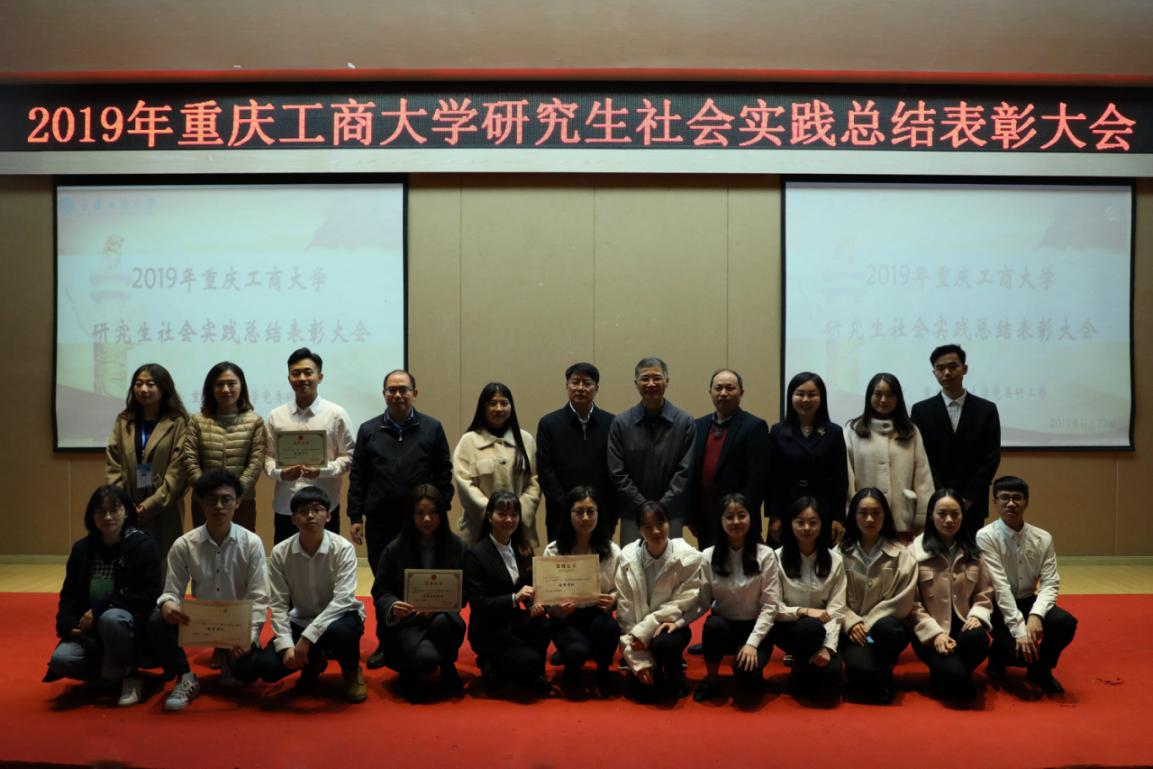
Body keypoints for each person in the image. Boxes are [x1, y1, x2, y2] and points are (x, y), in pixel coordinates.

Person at [347, 369, 453, 669]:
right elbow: (358, 477)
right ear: (384, 394)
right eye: (391, 390)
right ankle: (387, 642)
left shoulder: (432, 428)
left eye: (403, 390)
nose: (397, 395)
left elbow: (444, 474)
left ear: (414, 394)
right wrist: (355, 515)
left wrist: (440, 512)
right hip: (380, 520)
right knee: (385, 584)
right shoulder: (369, 430)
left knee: (421, 579)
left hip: (422, 523)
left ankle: (424, 635)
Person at [148, 469, 268, 711]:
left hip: (236, 623)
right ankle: (185, 676)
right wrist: (168, 604)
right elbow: (171, 591)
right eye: (212, 500)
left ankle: (227, 656)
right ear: (201, 503)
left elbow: (259, 596)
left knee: (248, 673)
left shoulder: (251, 543)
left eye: (226, 499)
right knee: (157, 620)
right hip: (199, 622)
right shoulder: (184, 545)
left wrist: (250, 635)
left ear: (237, 502)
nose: (219, 506)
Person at [44, 485, 162, 707]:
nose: (107, 517)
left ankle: (130, 676)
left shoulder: (143, 546)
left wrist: (100, 609)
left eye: (114, 510)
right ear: (92, 516)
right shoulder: (82, 549)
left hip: (131, 626)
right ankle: (110, 674)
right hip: (90, 631)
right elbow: (69, 594)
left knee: (112, 618)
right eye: (100, 511)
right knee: (61, 661)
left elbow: (150, 595)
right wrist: (67, 625)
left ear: (126, 512)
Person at [257, 486, 367, 703]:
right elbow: (278, 604)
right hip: (301, 618)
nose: (310, 516)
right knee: (267, 668)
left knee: (341, 631)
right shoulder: (280, 552)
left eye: (317, 510)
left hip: (339, 618)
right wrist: (286, 645)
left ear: (328, 516)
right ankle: (314, 662)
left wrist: (307, 638)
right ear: (293, 519)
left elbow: (343, 600)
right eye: (303, 511)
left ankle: (352, 671)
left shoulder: (343, 548)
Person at [976, 475, 1077, 695]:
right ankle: (997, 657)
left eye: (1017, 498)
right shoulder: (985, 536)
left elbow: (1050, 582)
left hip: (1029, 600)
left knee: (1064, 623)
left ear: (1026, 501)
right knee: (1017, 652)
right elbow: (1000, 586)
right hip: (998, 605)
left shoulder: (1043, 538)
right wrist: (1021, 631)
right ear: (995, 502)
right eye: (1004, 498)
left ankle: (1041, 671)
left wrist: (1036, 615)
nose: (1010, 503)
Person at [370, 484, 468, 702]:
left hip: (441, 618)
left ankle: (447, 664)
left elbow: (465, 590)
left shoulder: (457, 547)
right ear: (411, 515)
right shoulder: (395, 549)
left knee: (447, 623)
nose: (427, 519)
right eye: (419, 513)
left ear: (442, 514)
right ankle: (410, 670)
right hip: (408, 622)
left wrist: (439, 606)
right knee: (426, 659)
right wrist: (393, 606)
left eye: (433, 512)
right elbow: (380, 590)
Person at [691, 493, 780, 702]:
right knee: (713, 625)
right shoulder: (708, 555)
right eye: (729, 517)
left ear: (751, 518)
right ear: (721, 520)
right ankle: (711, 680)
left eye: (741, 515)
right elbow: (702, 602)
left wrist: (752, 643)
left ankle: (750, 671)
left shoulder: (766, 554)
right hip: (724, 628)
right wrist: (677, 622)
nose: (736, 522)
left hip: (757, 629)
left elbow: (770, 606)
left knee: (747, 678)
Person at [463, 491, 552, 696]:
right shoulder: (475, 554)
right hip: (488, 628)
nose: (509, 520)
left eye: (514, 514)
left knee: (545, 625)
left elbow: (530, 588)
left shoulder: (523, 548)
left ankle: (535, 674)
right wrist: (514, 598)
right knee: (527, 661)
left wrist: (534, 605)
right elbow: (478, 604)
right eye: (502, 514)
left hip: (513, 621)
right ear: (489, 517)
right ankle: (489, 662)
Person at [908, 488, 993, 700]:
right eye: (942, 514)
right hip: (930, 632)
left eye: (955, 514)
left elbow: (984, 593)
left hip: (962, 627)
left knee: (979, 639)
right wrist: (935, 634)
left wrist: (977, 615)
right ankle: (953, 674)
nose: (949, 520)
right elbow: (912, 604)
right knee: (963, 692)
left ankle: (955, 673)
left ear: (963, 516)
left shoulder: (973, 552)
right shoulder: (914, 553)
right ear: (931, 515)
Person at [264, 347, 355, 543]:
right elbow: (267, 457)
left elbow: (349, 456)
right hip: (286, 505)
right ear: (289, 378)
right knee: (285, 557)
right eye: (295, 373)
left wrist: (322, 470)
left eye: (308, 372)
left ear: (320, 377)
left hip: (324, 506)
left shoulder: (336, 414)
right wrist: (280, 473)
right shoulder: (276, 416)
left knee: (327, 556)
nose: (302, 378)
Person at [615, 500, 703, 701]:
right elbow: (625, 611)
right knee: (644, 694)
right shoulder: (627, 557)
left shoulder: (688, 557)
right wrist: (638, 660)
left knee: (664, 644)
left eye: (660, 523)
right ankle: (650, 670)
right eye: (647, 526)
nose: (655, 531)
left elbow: (683, 602)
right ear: (639, 529)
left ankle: (673, 671)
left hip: (669, 627)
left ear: (669, 523)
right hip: (635, 633)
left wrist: (644, 631)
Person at [911, 344, 1002, 537]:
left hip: (973, 502)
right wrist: (940, 495)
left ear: (964, 369)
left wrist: (969, 496)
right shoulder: (921, 411)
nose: (947, 372)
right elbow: (921, 456)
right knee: (935, 550)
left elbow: (991, 456)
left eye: (953, 366)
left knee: (971, 551)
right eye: (940, 368)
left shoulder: (986, 409)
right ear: (934, 372)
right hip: (934, 499)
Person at [540, 485, 622, 698]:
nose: (585, 518)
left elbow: (620, 589)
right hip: (566, 618)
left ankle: (603, 670)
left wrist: (613, 599)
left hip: (598, 615)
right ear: (569, 514)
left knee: (609, 627)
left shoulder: (613, 551)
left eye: (590, 511)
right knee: (577, 652)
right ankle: (572, 665)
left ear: (598, 514)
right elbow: (545, 597)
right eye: (579, 511)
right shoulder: (553, 551)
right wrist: (557, 608)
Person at [105, 362, 189, 562]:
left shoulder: (178, 421)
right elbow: (113, 463)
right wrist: (123, 503)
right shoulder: (124, 420)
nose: (143, 389)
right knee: (130, 560)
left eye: (150, 384)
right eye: (138, 384)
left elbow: (178, 470)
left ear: (164, 388)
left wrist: (150, 506)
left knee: (164, 561)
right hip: (128, 506)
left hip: (164, 506)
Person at [839, 488, 916, 704]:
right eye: (863, 513)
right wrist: (851, 622)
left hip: (884, 630)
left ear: (885, 516)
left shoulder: (902, 554)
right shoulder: (839, 553)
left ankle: (885, 669)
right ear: (853, 516)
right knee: (860, 670)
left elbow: (903, 601)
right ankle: (869, 674)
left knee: (888, 628)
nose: (869, 519)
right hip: (853, 631)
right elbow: (831, 598)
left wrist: (867, 622)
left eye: (876, 513)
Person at [608, 357, 695, 542]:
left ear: (667, 381)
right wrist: (643, 507)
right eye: (645, 378)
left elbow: (685, 472)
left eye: (656, 378)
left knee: (671, 559)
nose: (651, 384)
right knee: (631, 560)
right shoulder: (621, 423)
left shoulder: (685, 422)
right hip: (633, 514)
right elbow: (617, 472)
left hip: (670, 513)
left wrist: (661, 508)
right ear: (636, 383)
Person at [768, 497, 846, 695]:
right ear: (790, 524)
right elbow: (773, 607)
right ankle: (799, 664)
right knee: (809, 628)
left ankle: (807, 667)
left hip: (824, 631)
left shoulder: (835, 560)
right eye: (800, 522)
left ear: (822, 525)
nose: (807, 528)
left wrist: (828, 648)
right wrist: (804, 611)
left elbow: (837, 610)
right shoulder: (775, 558)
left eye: (813, 522)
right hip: (787, 629)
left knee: (832, 672)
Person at [844, 372, 935, 539]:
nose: (883, 400)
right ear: (869, 397)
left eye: (890, 395)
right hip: (864, 518)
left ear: (898, 398)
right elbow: (846, 475)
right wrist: (851, 509)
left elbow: (922, 476)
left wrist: (922, 515)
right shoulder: (853, 430)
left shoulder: (910, 431)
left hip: (902, 517)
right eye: (878, 394)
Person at [687, 369, 770, 549]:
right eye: (718, 388)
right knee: (710, 564)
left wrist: (740, 515)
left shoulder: (754, 426)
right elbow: (692, 474)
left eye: (730, 388)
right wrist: (691, 515)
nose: (723, 393)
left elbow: (757, 479)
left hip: (740, 520)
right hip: (706, 520)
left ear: (741, 392)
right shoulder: (698, 425)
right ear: (710, 392)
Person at [535, 362, 616, 543]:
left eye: (587, 383)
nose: (580, 388)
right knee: (562, 561)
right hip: (560, 513)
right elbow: (545, 471)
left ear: (596, 388)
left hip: (601, 514)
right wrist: (570, 506)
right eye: (575, 382)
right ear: (567, 385)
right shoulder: (549, 424)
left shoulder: (611, 423)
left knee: (599, 560)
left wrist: (596, 506)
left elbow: (614, 469)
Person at [454, 382, 541, 548]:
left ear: (511, 406)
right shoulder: (469, 441)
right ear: (483, 407)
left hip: (519, 530)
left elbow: (534, 482)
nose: (499, 408)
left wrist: (515, 513)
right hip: (477, 531)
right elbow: (464, 483)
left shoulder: (526, 440)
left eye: (504, 403)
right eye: (492, 403)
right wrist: (493, 514)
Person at [766, 372, 850, 543]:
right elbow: (771, 478)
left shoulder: (834, 432)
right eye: (800, 394)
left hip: (822, 511)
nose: (805, 399)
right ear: (791, 396)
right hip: (786, 509)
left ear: (821, 398)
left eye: (812, 394)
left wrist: (838, 517)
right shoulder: (777, 431)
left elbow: (840, 479)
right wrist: (773, 516)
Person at [183, 361, 265, 531]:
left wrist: (235, 494)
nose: (226, 389)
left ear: (241, 386)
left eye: (231, 384)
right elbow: (190, 459)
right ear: (211, 388)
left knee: (242, 545)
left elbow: (256, 462)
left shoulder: (255, 421)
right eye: (219, 384)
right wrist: (206, 492)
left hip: (241, 501)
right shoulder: (197, 420)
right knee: (203, 545)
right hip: (204, 501)